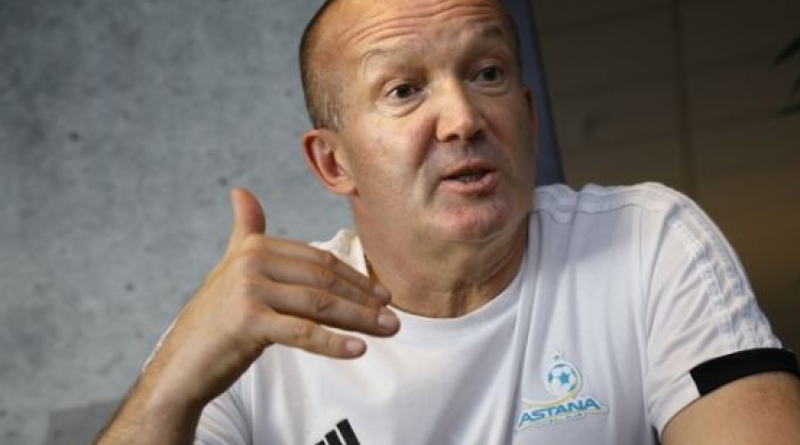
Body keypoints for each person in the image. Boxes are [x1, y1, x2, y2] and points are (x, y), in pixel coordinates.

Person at [94, 0, 800, 443]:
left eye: (487, 73)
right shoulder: (261, 334)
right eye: (404, 89)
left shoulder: (646, 239)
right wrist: (173, 379)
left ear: (529, 118)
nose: (464, 118)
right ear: (334, 162)